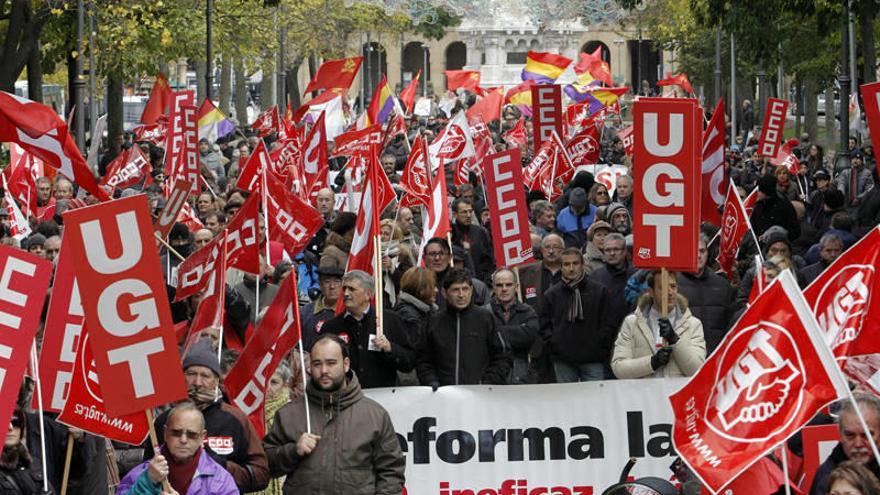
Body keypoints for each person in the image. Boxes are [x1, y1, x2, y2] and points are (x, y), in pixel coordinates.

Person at [263, 335, 405, 494]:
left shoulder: (374, 415)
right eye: (317, 364)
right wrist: (293, 451)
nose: (324, 370)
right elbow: (265, 465)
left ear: (345, 364)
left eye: (331, 363)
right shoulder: (288, 414)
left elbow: (391, 471)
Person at [147, 340, 270, 493]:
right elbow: (145, 470)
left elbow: (262, 475)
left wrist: (220, 466)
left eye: (205, 375)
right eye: (191, 374)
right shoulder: (165, 420)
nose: (198, 382)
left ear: (217, 381)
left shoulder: (236, 419)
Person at [318, 270, 415, 388]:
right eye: (344, 289)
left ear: (368, 294)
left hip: (383, 397)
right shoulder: (331, 327)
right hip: (346, 397)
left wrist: (390, 348)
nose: (346, 293)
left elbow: (409, 362)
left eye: (352, 289)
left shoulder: (390, 320)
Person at [417, 269, 511, 387]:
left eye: (465, 289)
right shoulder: (433, 322)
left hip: (480, 396)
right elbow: (423, 360)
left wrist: (487, 383)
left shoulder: (486, 319)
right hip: (443, 396)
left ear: (471, 290)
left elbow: (503, 356)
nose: (461, 295)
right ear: (444, 293)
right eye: (455, 290)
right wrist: (430, 381)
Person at [118, 402, 237, 495]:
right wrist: (147, 483)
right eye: (176, 433)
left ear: (202, 437)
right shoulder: (141, 475)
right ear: (165, 433)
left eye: (191, 434)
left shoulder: (221, 481)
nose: (183, 440)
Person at [611, 270, 706, 379]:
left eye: (673, 286)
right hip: (644, 394)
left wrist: (675, 340)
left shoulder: (693, 324)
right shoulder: (632, 323)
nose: (670, 292)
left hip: (675, 393)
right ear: (651, 292)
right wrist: (652, 363)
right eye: (663, 288)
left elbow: (698, 370)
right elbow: (619, 368)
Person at [540, 248, 614, 382]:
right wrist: (554, 345)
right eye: (567, 264)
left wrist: (600, 346)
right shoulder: (551, 295)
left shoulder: (599, 291)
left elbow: (608, 323)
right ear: (561, 267)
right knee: (567, 401)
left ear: (582, 265)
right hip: (563, 360)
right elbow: (544, 325)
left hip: (593, 358)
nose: (571, 268)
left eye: (575, 263)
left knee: (594, 399)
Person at [676, 234, 737, 354]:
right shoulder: (673, 285)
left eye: (702, 251)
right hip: (685, 357)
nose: (698, 256)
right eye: (693, 251)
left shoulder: (722, 285)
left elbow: (731, 322)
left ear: (708, 253)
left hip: (716, 356)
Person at [810, 394, 880, 495]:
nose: (858, 444)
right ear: (840, 435)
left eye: (866, 435)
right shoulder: (825, 476)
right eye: (850, 435)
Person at [489, 268, 540, 384]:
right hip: (493, 377)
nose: (504, 289)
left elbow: (530, 336)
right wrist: (518, 332)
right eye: (499, 285)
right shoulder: (484, 313)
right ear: (493, 288)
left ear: (516, 287)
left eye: (508, 284)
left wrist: (495, 332)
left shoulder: (528, 311)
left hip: (521, 376)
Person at [300, 258, 343, 350]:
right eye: (327, 282)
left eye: (337, 281)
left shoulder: (349, 313)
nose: (332, 286)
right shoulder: (305, 313)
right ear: (320, 284)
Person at [450, 198, 495, 283]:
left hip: (480, 281)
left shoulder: (480, 232)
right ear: (455, 214)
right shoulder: (450, 234)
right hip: (459, 283)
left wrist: (487, 280)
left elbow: (489, 259)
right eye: (464, 212)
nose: (468, 215)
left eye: (470, 211)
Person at [750, 174, 801, 241]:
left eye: (759, 190)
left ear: (766, 191)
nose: (756, 193)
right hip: (758, 247)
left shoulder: (785, 206)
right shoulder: (757, 207)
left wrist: (775, 236)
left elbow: (794, 231)